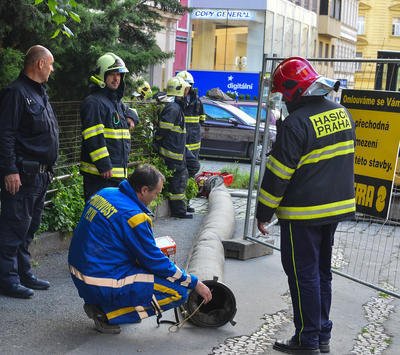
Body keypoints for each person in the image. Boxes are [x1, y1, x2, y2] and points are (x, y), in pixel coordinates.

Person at [256, 57, 356, 354]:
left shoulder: (296, 124)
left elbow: (278, 176)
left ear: (293, 91)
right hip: (334, 210)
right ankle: (321, 334)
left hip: (302, 214)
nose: (283, 99)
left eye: (283, 94)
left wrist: (263, 214)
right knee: (322, 272)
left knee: (303, 276)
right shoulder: (342, 113)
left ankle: (307, 340)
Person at [68, 164, 212, 333]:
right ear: (144, 190)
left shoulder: (105, 193)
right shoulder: (134, 217)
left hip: (80, 271)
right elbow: (155, 262)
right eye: (156, 193)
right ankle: (105, 313)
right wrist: (194, 282)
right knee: (179, 292)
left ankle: (103, 304)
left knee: (146, 269)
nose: (156, 198)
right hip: (98, 280)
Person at [0, 45, 59, 299]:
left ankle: (23, 272)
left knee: (29, 227)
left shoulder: (39, 93)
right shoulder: (16, 93)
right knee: (13, 228)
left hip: (40, 175)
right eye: (51, 64)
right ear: (40, 64)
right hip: (22, 175)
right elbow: (6, 134)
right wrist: (10, 169)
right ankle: (7, 279)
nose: (53, 69)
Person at [80, 52, 138, 201]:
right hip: (100, 175)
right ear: (102, 75)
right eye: (112, 74)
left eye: (119, 74)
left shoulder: (114, 101)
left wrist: (132, 117)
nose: (116, 78)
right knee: (99, 217)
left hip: (115, 176)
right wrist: (103, 164)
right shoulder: (94, 102)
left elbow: (127, 110)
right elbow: (93, 136)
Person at [154, 76, 193, 219]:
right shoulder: (173, 108)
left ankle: (180, 209)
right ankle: (179, 211)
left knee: (180, 179)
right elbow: (164, 129)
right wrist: (157, 141)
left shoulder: (175, 107)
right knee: (179, 181)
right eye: (185, 90)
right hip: (171, 153)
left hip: (176, 152)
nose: (186, 94)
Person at [176, 70, 204, 179]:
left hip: (194, 141)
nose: (187, 89)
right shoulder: (174, 101)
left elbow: (202, 119)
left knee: (193, 166)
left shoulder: (197, 102)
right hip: (181, 140)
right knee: (180, 166)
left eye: (189, 86)